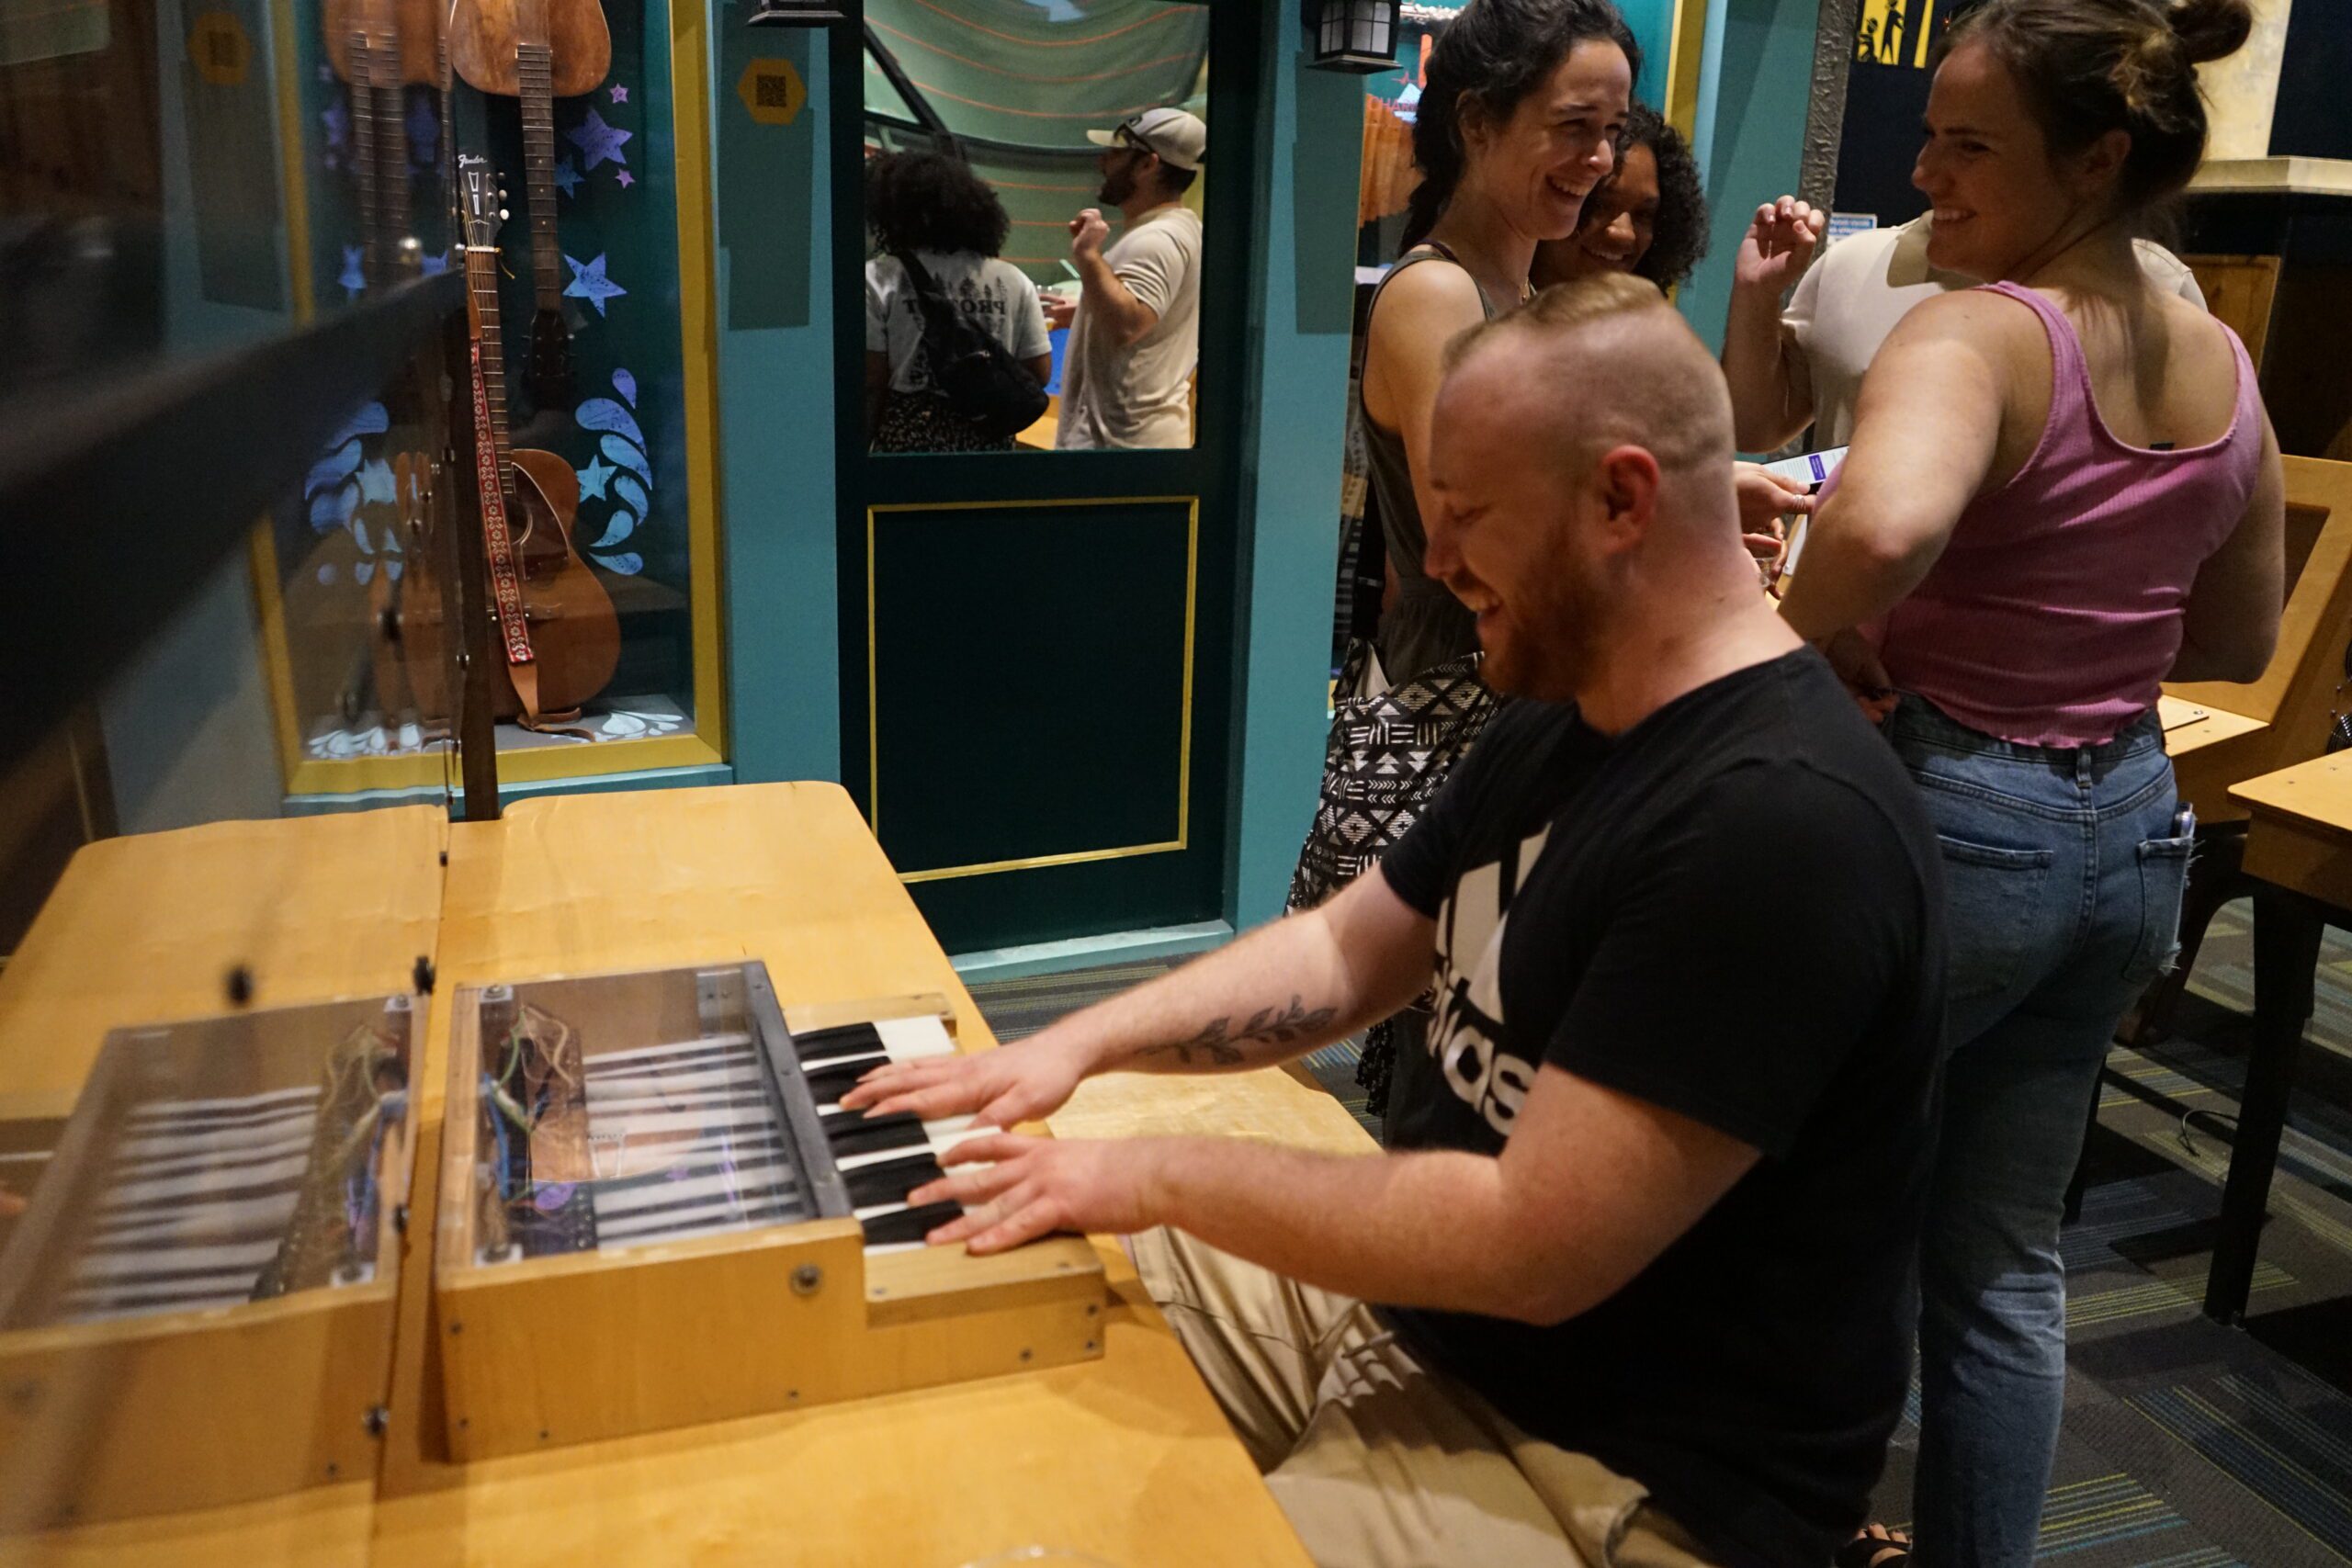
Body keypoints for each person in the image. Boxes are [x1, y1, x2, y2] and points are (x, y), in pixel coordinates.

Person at [846, 277, 1950, 1568]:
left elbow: (1528, 1245)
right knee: (967, 1291)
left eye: (1468, 515)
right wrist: (1071, 1051)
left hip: (1608, 1472)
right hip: (1423, 1328)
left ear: (1621, 500)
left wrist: (1155, 1174)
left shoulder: (1779, 823)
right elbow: (1347, 948)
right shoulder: (1571, 707)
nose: (1433, 562)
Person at [1774, 3, 2284, 1563]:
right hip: (2128, 837)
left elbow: (1876, 527)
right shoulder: (2222, 360)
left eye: (1968, 143)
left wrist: (1798, 644)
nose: (1924, 170)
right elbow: (2240, 635)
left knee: (1802, 1217)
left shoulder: (1975, 333)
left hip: (1955, 817)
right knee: (2003, 1267)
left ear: (2097, 158)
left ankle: (1783, 1526)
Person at [1721, 202, 2206, 458]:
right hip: (1849, 601)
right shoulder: (1854, 264)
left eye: (1973, 144)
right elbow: (1754, 425)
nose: (1925, 169)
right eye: (1932, 134)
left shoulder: (2154, 286)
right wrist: (1757, 296)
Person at [862, 151, 1053, 453]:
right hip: (987, 446)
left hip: (908, 446)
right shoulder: (1013, 279)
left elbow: (873, 379)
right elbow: (1039, 372)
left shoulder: (877, 277)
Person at [1050, 106, 1208, 450]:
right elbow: (1148, 320)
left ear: (1148, 165)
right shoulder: (1181, 230)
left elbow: (1128, 324)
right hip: (1133, 446)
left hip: (1120, 449)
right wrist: (1089, 312)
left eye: (1117, 153)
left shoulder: (1157, 239)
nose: (1103, 161)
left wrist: (1088, 254)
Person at [1529, 100, 1708, 292]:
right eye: (1601, 205)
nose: (1624, 233)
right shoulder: (1504, 305)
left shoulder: (1646, 311)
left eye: (1644, 214)